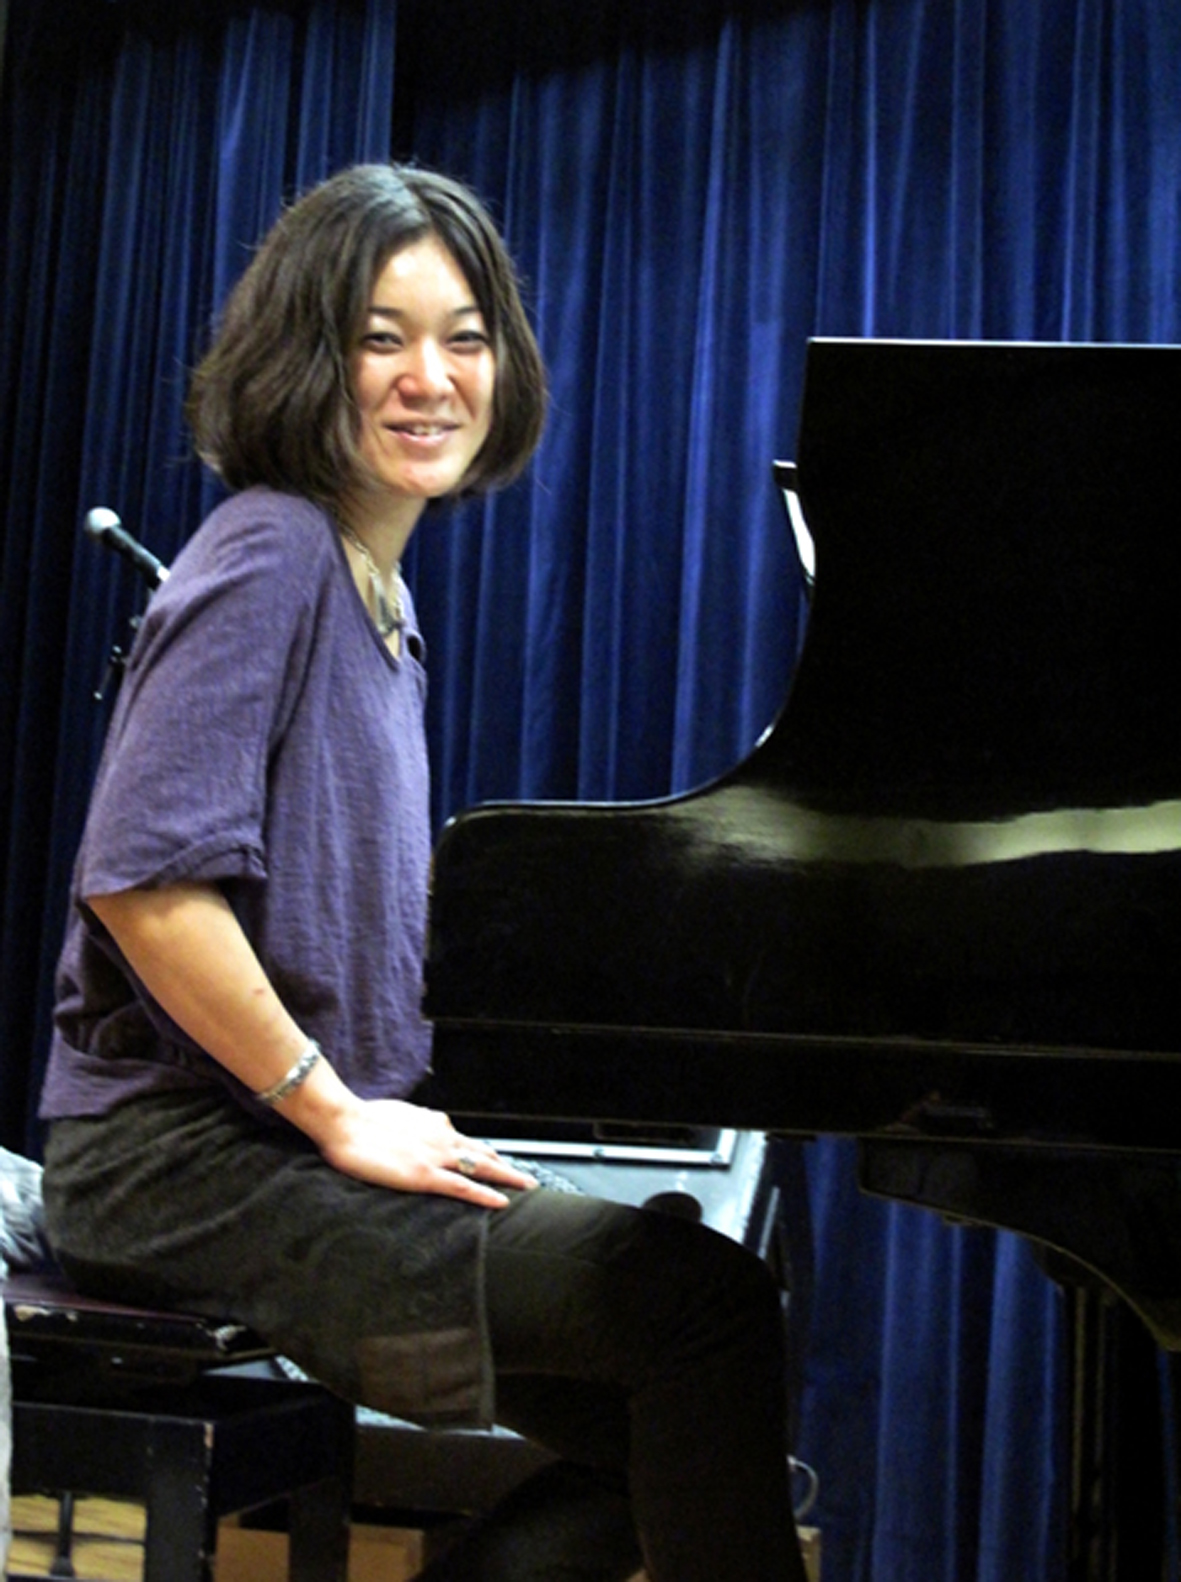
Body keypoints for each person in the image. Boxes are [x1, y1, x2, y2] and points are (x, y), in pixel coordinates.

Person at [38, 163, 807, 1582]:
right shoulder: (270, 551)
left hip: (266, 1144)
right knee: (698, 1309)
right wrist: (336, 1112)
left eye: (464, 338)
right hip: (177, 1165)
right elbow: (144, 884)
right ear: (304, 357)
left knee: (674, 1416)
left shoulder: (378, 600)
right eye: (379, 338)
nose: (430, 378)